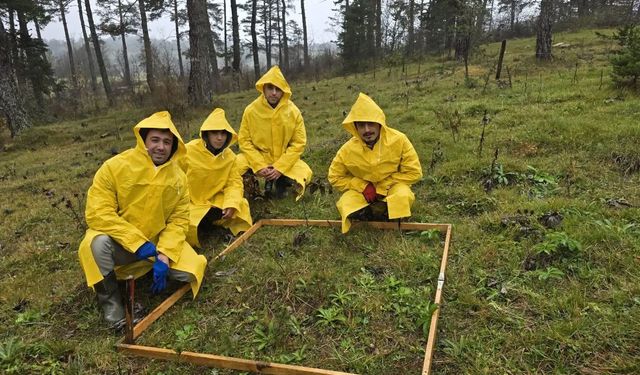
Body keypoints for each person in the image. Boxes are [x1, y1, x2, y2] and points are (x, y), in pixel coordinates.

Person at [77, 111, 207, 329]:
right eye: (155, 140)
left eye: (167, 142)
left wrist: (165, 255)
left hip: (155, 246)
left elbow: (179, 220)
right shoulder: (115, 167)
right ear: (143, 140)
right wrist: (136, 242)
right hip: (121, 243)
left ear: (174, 145)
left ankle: (147, 274)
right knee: (95, 245)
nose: (160, 147)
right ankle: (113, 309)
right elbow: (98, 212)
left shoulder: (178, 178)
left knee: (190, 273)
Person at [328, 93, 423, 233]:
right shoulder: (347, 150)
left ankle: (390, 216)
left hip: (393, 188)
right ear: (355, 128)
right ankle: (373, 215)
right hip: (363, 193)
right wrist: (363, 186)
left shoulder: (399, 140)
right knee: (346, 203)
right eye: (361, 125)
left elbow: (414, 173)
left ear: (379, 124)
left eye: (371, 124)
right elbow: (334, 177)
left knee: (403, 195)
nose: (367, 130)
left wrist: (382, 186)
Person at [236, 65, 312, 200]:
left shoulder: (293, 112)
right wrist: (259, 165)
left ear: (284, 91)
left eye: (278, 89)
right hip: (258, 158)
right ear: (263, 88)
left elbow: (298, 143)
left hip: (284, 159)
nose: (274, 93)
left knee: (305, 172)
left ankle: (282, 183)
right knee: (235, 166)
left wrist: (280, 168)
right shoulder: (250, 110)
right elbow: (244, 141)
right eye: (270, 88)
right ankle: (251, 190)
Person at [182, 108, 253, 248]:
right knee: (185, 219)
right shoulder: (187, 151)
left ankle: (210, 223)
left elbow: (234, 183)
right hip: (190, 202)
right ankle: (205, 226)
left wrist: (231, 204)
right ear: (206, 134)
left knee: (241, 205)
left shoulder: (230, 156)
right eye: (215, 133)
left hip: (214, 199)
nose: (219, 138)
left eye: (223, 134)